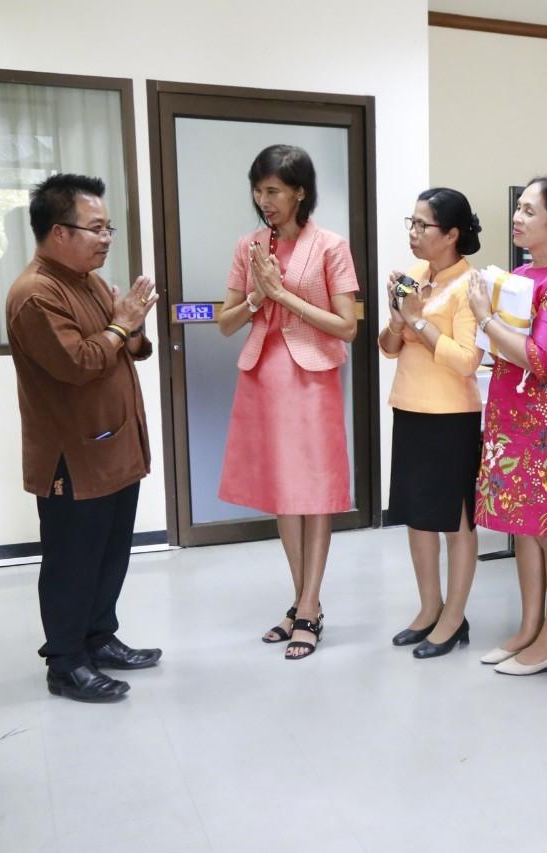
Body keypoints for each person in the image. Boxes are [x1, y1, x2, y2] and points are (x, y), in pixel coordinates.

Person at [5, 173, 162, 702]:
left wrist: (130, 327)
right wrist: (120, 326)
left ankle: (99, 637)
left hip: (113, 444)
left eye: (108, 227)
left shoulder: (88, 280)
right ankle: (66, 662)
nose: (107, 238)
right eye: (96, 228)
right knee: (72, 560)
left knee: (110, 551)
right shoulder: (36, 294)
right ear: (59, 232)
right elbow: (79, 363)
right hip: (72, 457)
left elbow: (129, 347)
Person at [216, 145, 359, 661]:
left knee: (314, 491)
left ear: (300, 191)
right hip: (265, 375)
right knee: (284, 492)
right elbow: (226, 322)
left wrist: (282, 295)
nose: (264, 200)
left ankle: (308, 603)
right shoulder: (249, 246)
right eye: (258, 190)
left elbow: (347, 326)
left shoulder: (331, 246)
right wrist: (258, 296)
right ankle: (304, 605)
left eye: (273, 190)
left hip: (313, 376)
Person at [468, 176, 547, 675]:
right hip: (509, 411)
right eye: (518, 208)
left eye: (528, 210)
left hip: (546, 420)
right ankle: (528, 628)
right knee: (522, 527)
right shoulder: (520, 274)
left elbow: (540, 358)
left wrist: (485, 318)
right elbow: (503, 349)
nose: (517, 218)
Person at [379, 187, 484, 659]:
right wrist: (398, 320)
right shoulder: (415, 276)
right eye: (413, 223)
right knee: (418, 516)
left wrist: (419, 322)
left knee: (454, 522)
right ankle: (429, 609)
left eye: (423, 225)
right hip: (410, 407)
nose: (414, 232)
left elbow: (466, 360)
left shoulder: (470, 286)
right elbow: (388, 347)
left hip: (452, 416)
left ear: (452, 234)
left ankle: (454, 618)